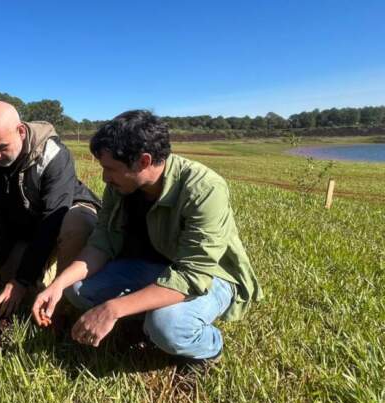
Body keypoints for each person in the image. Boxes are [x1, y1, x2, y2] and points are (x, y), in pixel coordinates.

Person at [32, 110, 262, 363]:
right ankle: (143, 318)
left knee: (167, 326)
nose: (104, 177)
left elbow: (193, 275)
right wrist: (58, 285)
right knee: (76, 290)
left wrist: (113, 309)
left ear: (143, 161)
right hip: (154, 266)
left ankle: (209, 350)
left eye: (111, 169)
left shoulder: (204, 189)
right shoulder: (119, 187)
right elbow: (102, 243)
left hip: (211, 275)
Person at [0, 101, 100, 317]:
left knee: (75, 225)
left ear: (21, 131)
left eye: (1, 147)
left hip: (63, 215)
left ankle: (62, 306)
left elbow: (53, 219)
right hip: (30, 228)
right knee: (8, 286)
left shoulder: (53, 155)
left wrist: (22, 280)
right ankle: (38, 279)